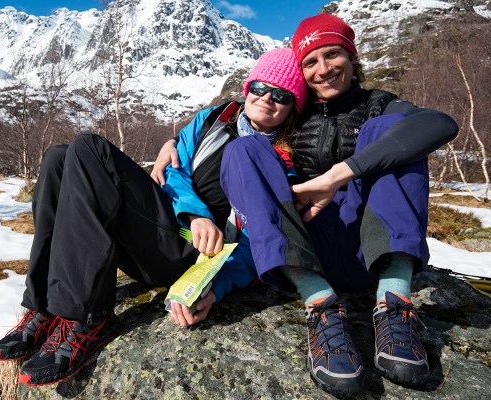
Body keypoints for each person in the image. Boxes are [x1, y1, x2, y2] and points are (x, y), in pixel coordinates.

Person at [152, 14, 459, 397]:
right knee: (245, 149)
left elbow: (439, 125)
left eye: (333, 55)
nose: (323, 69)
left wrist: (337, 176)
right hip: (310, 255)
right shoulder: (293, 116)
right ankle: (321, 308)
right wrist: (173, 143)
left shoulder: (379, 104)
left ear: (352, 57)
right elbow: (243, 134)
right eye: (310, 61)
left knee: (388, 131)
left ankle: (394, 305)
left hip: (371, 246)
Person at [0, 47, 308, 387]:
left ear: (293, 107)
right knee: (59, 157)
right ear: (249, 87)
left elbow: (261, 238)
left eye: (281, 95)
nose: (266, 99)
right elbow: (176, 171)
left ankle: (88, 318)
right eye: (260, 87)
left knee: (89, 148)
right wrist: (195, 212)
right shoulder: (215, 119)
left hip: (196, 258)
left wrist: (214, 287)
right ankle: (45, 306)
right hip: (167, 228)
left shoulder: (282, 160)